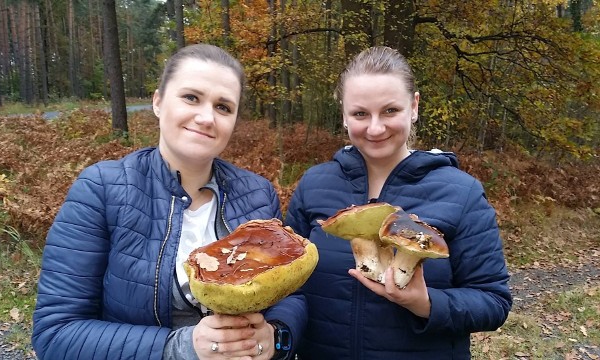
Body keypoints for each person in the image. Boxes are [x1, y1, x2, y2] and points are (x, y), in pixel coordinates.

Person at [32, 44, 305, 360]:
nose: (206, 117)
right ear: (158, 102)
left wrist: (276, 335)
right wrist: (181, 347)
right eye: (191, 97)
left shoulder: (257, 194)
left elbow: (290, 292)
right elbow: (55, 334)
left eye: (223, 107)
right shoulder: (102, 190)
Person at [284, 46, 512, 359]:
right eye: (360, 113)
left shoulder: (461, 193)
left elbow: (493, 302)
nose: (375, 128)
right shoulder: (314, 185)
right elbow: (287, 282)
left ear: (414, 106)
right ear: (344, 115)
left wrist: (425, 304)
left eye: (390, 111)